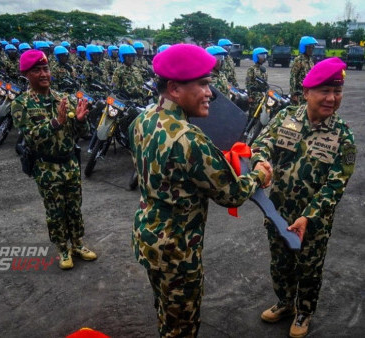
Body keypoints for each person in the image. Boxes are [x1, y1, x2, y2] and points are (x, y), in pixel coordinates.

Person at [128, 44, 273, 337]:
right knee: (182, 327)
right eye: (204, 84)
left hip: (149, 237)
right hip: (178, 251)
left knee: (165, 312)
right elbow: (231, 194)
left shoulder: (141, 120)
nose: (211, 93)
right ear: (174, 88)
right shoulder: (189, 139)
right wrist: (258, 175)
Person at [252, 57, 356, 338]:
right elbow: (262, 143)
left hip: (313, 222)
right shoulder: (286, 118)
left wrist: (308, 217)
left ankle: (304, 312)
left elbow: (335, 186)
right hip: (277, 213)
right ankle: (285, 303)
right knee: (280, 263)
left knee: (309, 269)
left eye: (337, 92)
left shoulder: (343, 137)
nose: (332, 98)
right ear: (307, 92)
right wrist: (261, 161)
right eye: (325, 91)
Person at [10, 50, 97, 270]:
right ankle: (62, 249)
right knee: (55, 210)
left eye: (46, 69)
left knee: (74, 207)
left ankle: (77, 244)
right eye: (37, 70)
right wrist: (56, 123)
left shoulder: (62, 99)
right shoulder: (22, 104)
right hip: (46, 166)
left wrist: (80, 121)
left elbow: (81, 133)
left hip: (69, 163)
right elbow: (30, 137)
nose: (43, 74)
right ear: (26, 75)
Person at [290, 36, 317, 105]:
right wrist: (293, 94)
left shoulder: (310, 60)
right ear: (304, 48)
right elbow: (293, 77)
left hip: (309, 92)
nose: (312, 49)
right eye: (310, 47)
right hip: (300, 93)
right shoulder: (298, 60)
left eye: (313, 47)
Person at [246, 47, 269, 116]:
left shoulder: (263, 69)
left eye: (265, 56)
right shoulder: (252, 69)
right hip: (255, 96)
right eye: (262, 56)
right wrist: (250, 96)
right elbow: (248, 83)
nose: (264, 58)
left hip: (263, 95)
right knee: (254, 114)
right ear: (256, 57)